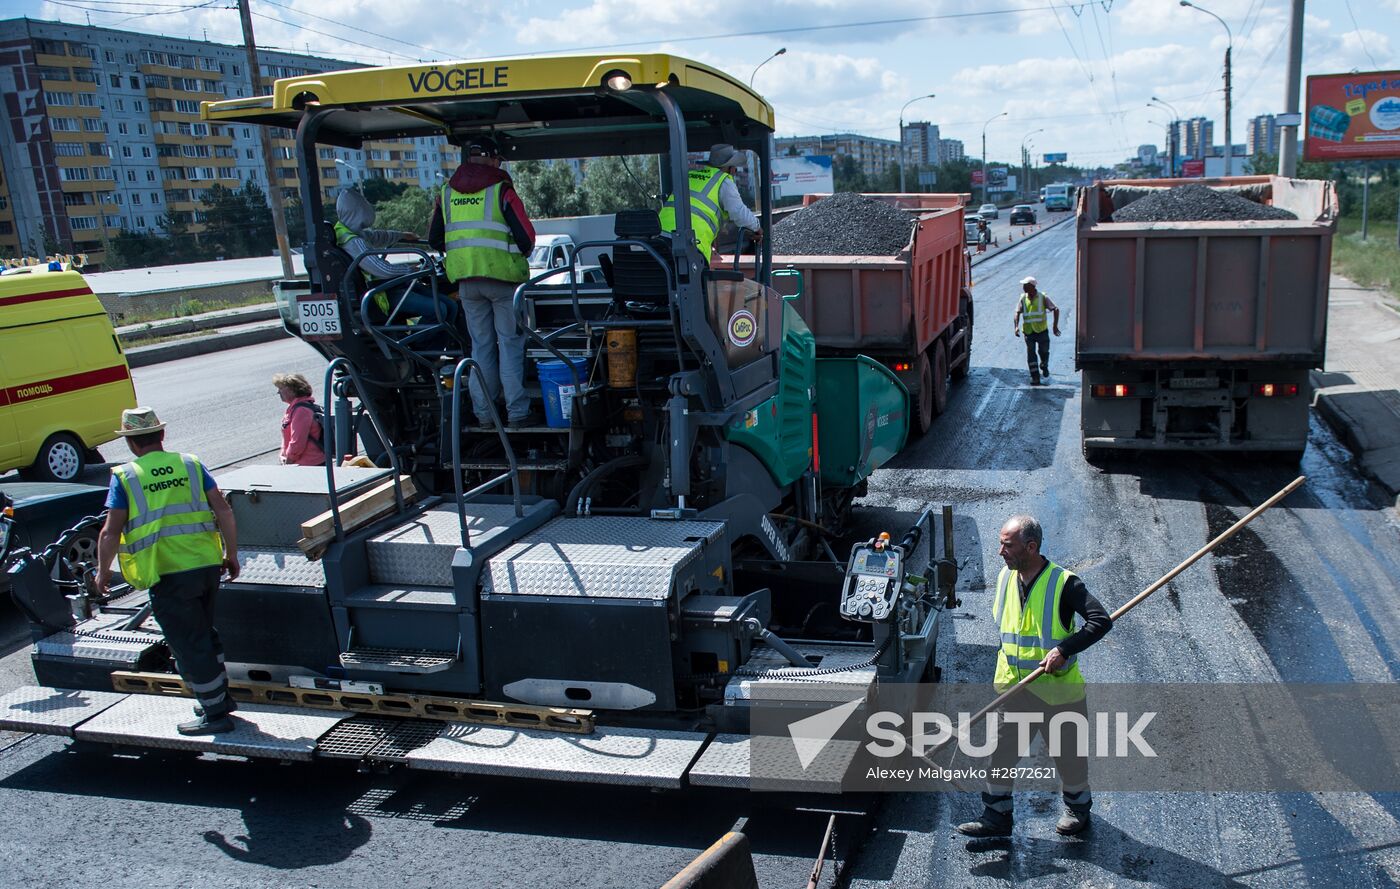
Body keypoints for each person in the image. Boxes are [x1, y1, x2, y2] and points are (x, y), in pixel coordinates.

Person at [955, 514, 1112, 839]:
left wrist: (1065, 649)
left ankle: (1078, 810)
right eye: (1000, 543)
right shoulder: (1005, 579)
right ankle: (996, 817)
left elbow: (1100, 620)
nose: (1000, 551)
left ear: (1031, 546)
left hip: (1058, 695)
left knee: (1069, 759)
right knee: (1001, 756)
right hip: (1015, 691)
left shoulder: (1064, 584)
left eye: (1007, 545)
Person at [94, 408, 241, 736]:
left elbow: (110, 531)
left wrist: (103, 572)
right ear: (161, 436)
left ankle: (215, 713)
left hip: (170, 573)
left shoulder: (126, 476)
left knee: (189, 643)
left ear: (131, 443)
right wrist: (231, 554)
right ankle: (220, 698)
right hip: (206, 565)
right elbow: (224, 510)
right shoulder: (190, 463)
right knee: (203, 633)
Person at [428, 136, 539, 428]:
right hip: (503, 282)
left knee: (481, 347)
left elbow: (434, 238)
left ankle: (485, 415)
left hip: (467, 284)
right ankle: (517, 414)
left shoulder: (446, 193)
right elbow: (527, 237)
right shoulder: (502, 190)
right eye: (498, 159)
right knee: (511, 345)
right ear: (491, 159)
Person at [335, 189, 458, 327]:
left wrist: (401, 235)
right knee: (440, 310)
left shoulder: (349, 231)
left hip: (391, 286)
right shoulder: (352, 241)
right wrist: (411, 270)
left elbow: (377, 236)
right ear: (359, 211)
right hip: (383, 293)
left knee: (451, 305)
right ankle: (419, 346)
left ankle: (441, 346)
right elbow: (382, 270)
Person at [658, 143, 762, 263]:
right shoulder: (724, 181)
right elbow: (739, 213)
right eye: (735, 169)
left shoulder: (690, 176)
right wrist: (757, 228)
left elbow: (696, 211)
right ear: (731, 169)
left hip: (658, 239)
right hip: (687, 245)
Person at [1013, 276, 1060, 385]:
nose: (1023, 287)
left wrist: (1055, 326)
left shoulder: (1043, 297)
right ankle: (1035, 377)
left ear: (1032, 286)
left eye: (1026, 285)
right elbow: (1017, 312)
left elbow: (1055, 309)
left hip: (1042, 331)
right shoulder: (1023, 298)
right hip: (1029, 332)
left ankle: (1044, 365)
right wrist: (1016, 326)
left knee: (1044, 352)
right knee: (1031, 354)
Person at [274, 372, 326, 467]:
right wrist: (282, 455)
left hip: (308, 465)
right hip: (302, 463)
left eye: (281, 388)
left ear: (292, 390)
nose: (278, 392)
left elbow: (297, 442)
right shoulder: (295, 408)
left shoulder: (301, 411)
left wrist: (289, 461)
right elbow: (287, 437)